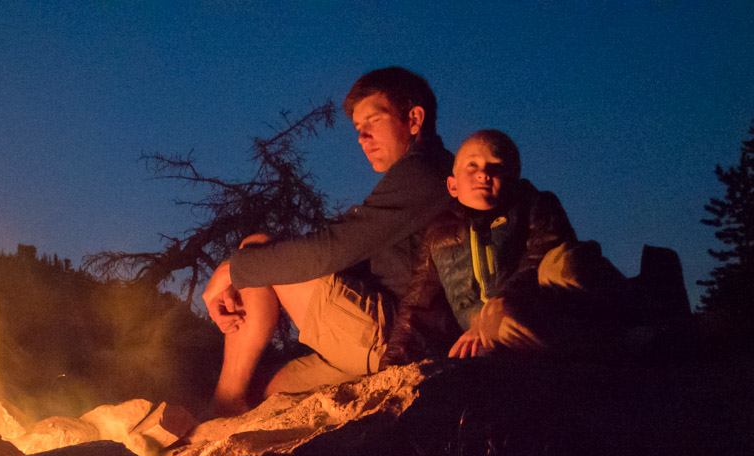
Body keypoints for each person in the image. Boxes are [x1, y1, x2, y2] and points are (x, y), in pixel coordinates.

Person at [201, 66, 455, 417]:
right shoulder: (423, 175)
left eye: (374, 121)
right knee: (264, 388)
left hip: (394, 338)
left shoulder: (425, 172)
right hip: (386, 340)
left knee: (256, 250)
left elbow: (329, 250)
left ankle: (223, 405)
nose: (362, 137)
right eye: (357, 128)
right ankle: (231, 401)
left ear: (414, 119)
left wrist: (231, 270)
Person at [391, 129, 690, 360]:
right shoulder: (438, 233)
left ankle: (648, 305)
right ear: (452, 185)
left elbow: (542, 256)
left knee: (566, 262)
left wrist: (504, 299)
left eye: (497, 167)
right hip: (502, 329)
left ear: (515, 178)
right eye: (473, 165)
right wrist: (393, 360)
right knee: (501, 321)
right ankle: (637, 342)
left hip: (550, 304)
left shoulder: (534, 204)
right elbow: (418, 303)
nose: (484, 173)